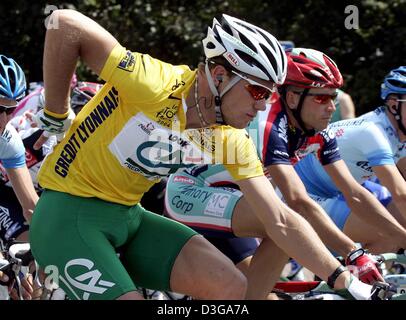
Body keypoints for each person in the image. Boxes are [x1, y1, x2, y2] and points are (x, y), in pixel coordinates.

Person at [31, 9, 377, 301]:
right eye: (256, 89)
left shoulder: (230, 138)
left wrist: (342, 279)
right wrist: (57, 114)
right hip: (67, 216)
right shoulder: (155, 84)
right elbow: (64, 23)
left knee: (233, 290)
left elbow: (281, 220)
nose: (261, 105)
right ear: (219, 74)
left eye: (268, 95)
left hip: (128, 216)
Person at [164, 48, 405, 298]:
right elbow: (298, 202)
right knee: (288, 225)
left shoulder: (320, 132)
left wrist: (399, 238)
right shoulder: (271, 124)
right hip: (191, 191)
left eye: (333, 97)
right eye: (321, 98)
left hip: (238, 201)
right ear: (292, 98)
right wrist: (353, 253)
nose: (331, 107)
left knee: (255, 291)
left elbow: (354, 193)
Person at [295, 66, 406, 241]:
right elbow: (401, 194)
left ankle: (350, 265)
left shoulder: (397, 134)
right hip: (305, 196)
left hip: (334, 194)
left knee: (396, 225)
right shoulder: (373, 131)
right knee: (390, 234)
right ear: (393, 105)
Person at [0, 54, 38, 298]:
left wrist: (47, 252)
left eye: (11, 109)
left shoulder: (8, 138)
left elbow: (31, 206)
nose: (4, 119)